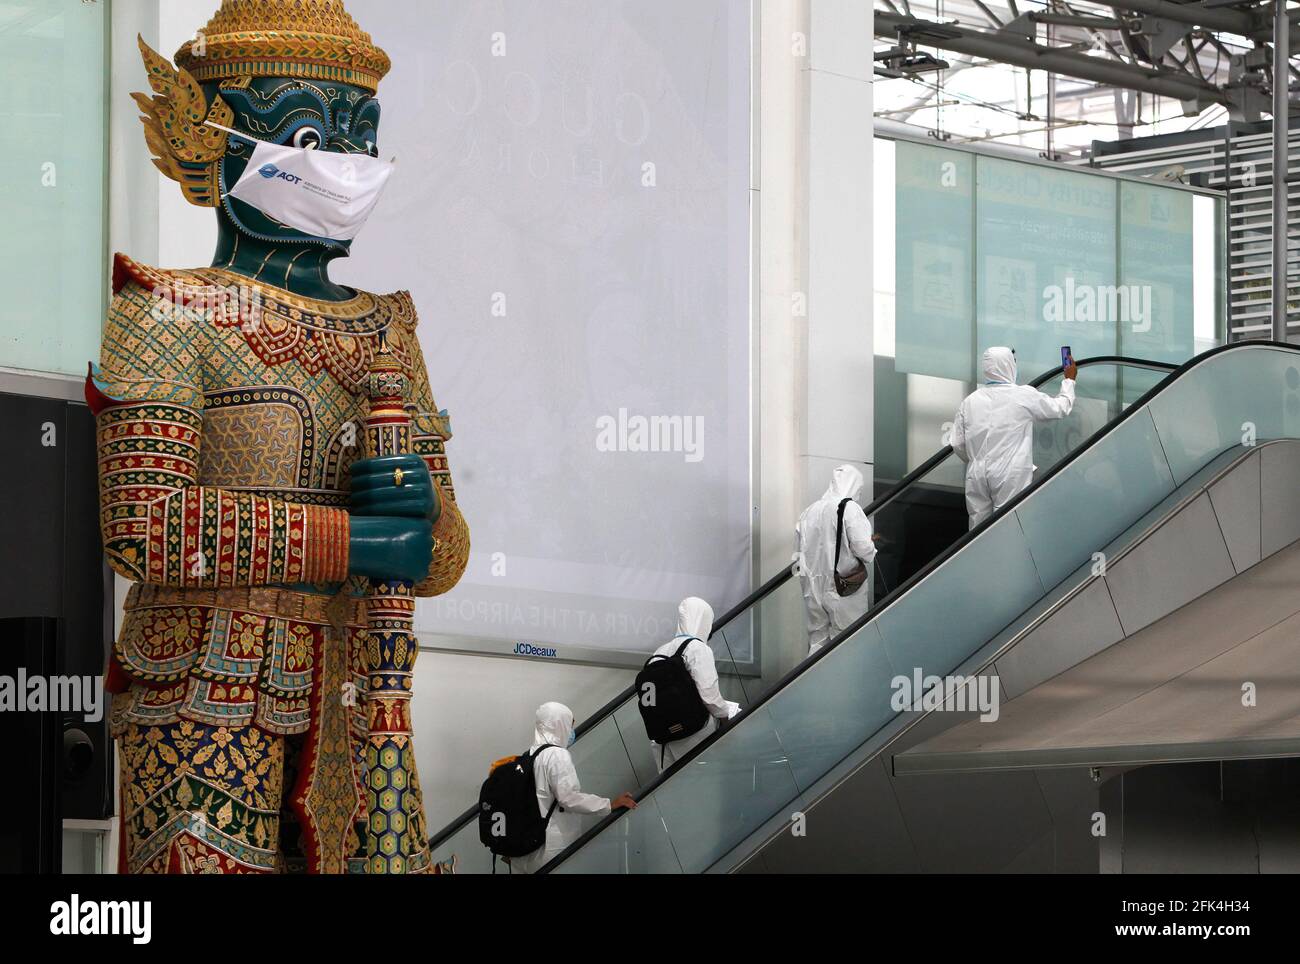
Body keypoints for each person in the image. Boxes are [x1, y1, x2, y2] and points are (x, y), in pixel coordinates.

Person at [951, 346, 1077, 529]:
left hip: (976, 474)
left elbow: (957, 443)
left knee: (977, 534)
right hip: (1010, 472)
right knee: (1008, 527)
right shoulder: (1022, 395)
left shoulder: (970, 401)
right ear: (1008, 365)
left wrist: (976, 459)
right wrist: (1069, 381)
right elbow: (1060, 408)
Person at [511, 702, 637, 873]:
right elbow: (568, 798)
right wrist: (608, 805)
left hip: (524, 849)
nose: (571, 731)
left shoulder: (527, 756)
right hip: (550, 847)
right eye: (570, 724)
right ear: (558, 724)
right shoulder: (556, 755)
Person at [646, 598, 741, 770]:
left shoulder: (659, 652)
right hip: (694, 733)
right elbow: (709, 694)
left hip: (662, 738)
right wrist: (726, 717)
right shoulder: (697, 648)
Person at [795, 465, 878, 656]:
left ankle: (815, 683)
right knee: (848, 644)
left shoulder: (808, 513)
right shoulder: (849, 508)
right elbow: (863, 548)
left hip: (813, 587)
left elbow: (798, 554)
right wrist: (872, 548)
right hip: (843, 589)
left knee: (817, 642)